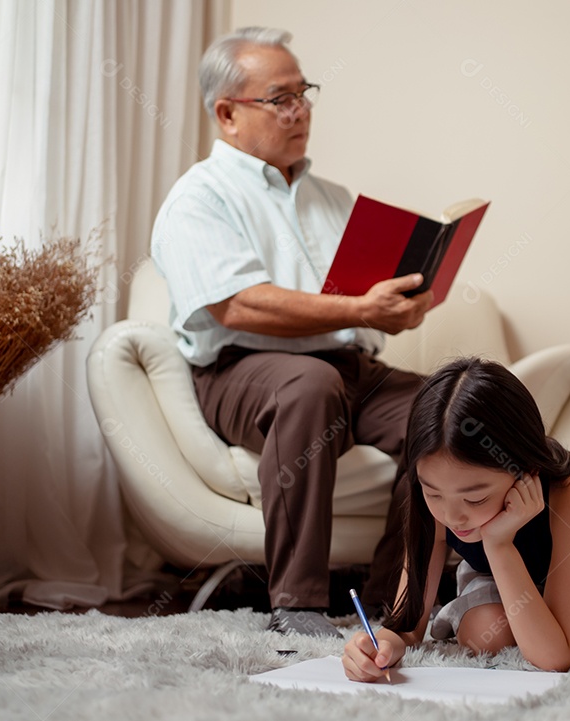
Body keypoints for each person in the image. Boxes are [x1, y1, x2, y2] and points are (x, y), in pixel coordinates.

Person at [150, 27, 432, 638]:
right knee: (308, 385)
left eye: (304, 93)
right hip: (245, 371)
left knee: (447, 407)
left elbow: (365, 301)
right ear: (227, 114)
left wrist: (400, 307)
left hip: (349, 367)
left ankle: (397, 604)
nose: (300, 109)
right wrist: (361, 309)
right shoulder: (198, 197)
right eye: (280, 98)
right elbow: (240, 307)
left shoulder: (334, 199)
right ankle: (297, 606)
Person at [342, 357, 570, 677]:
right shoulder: (438, 493)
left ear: (524, 470)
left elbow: (556, 658)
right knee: (484, 635)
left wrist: (500, 546)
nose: (453, 515)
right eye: (433, 494)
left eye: (475, 498)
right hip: (512, 566)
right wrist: (379, 647)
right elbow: (406, 626)